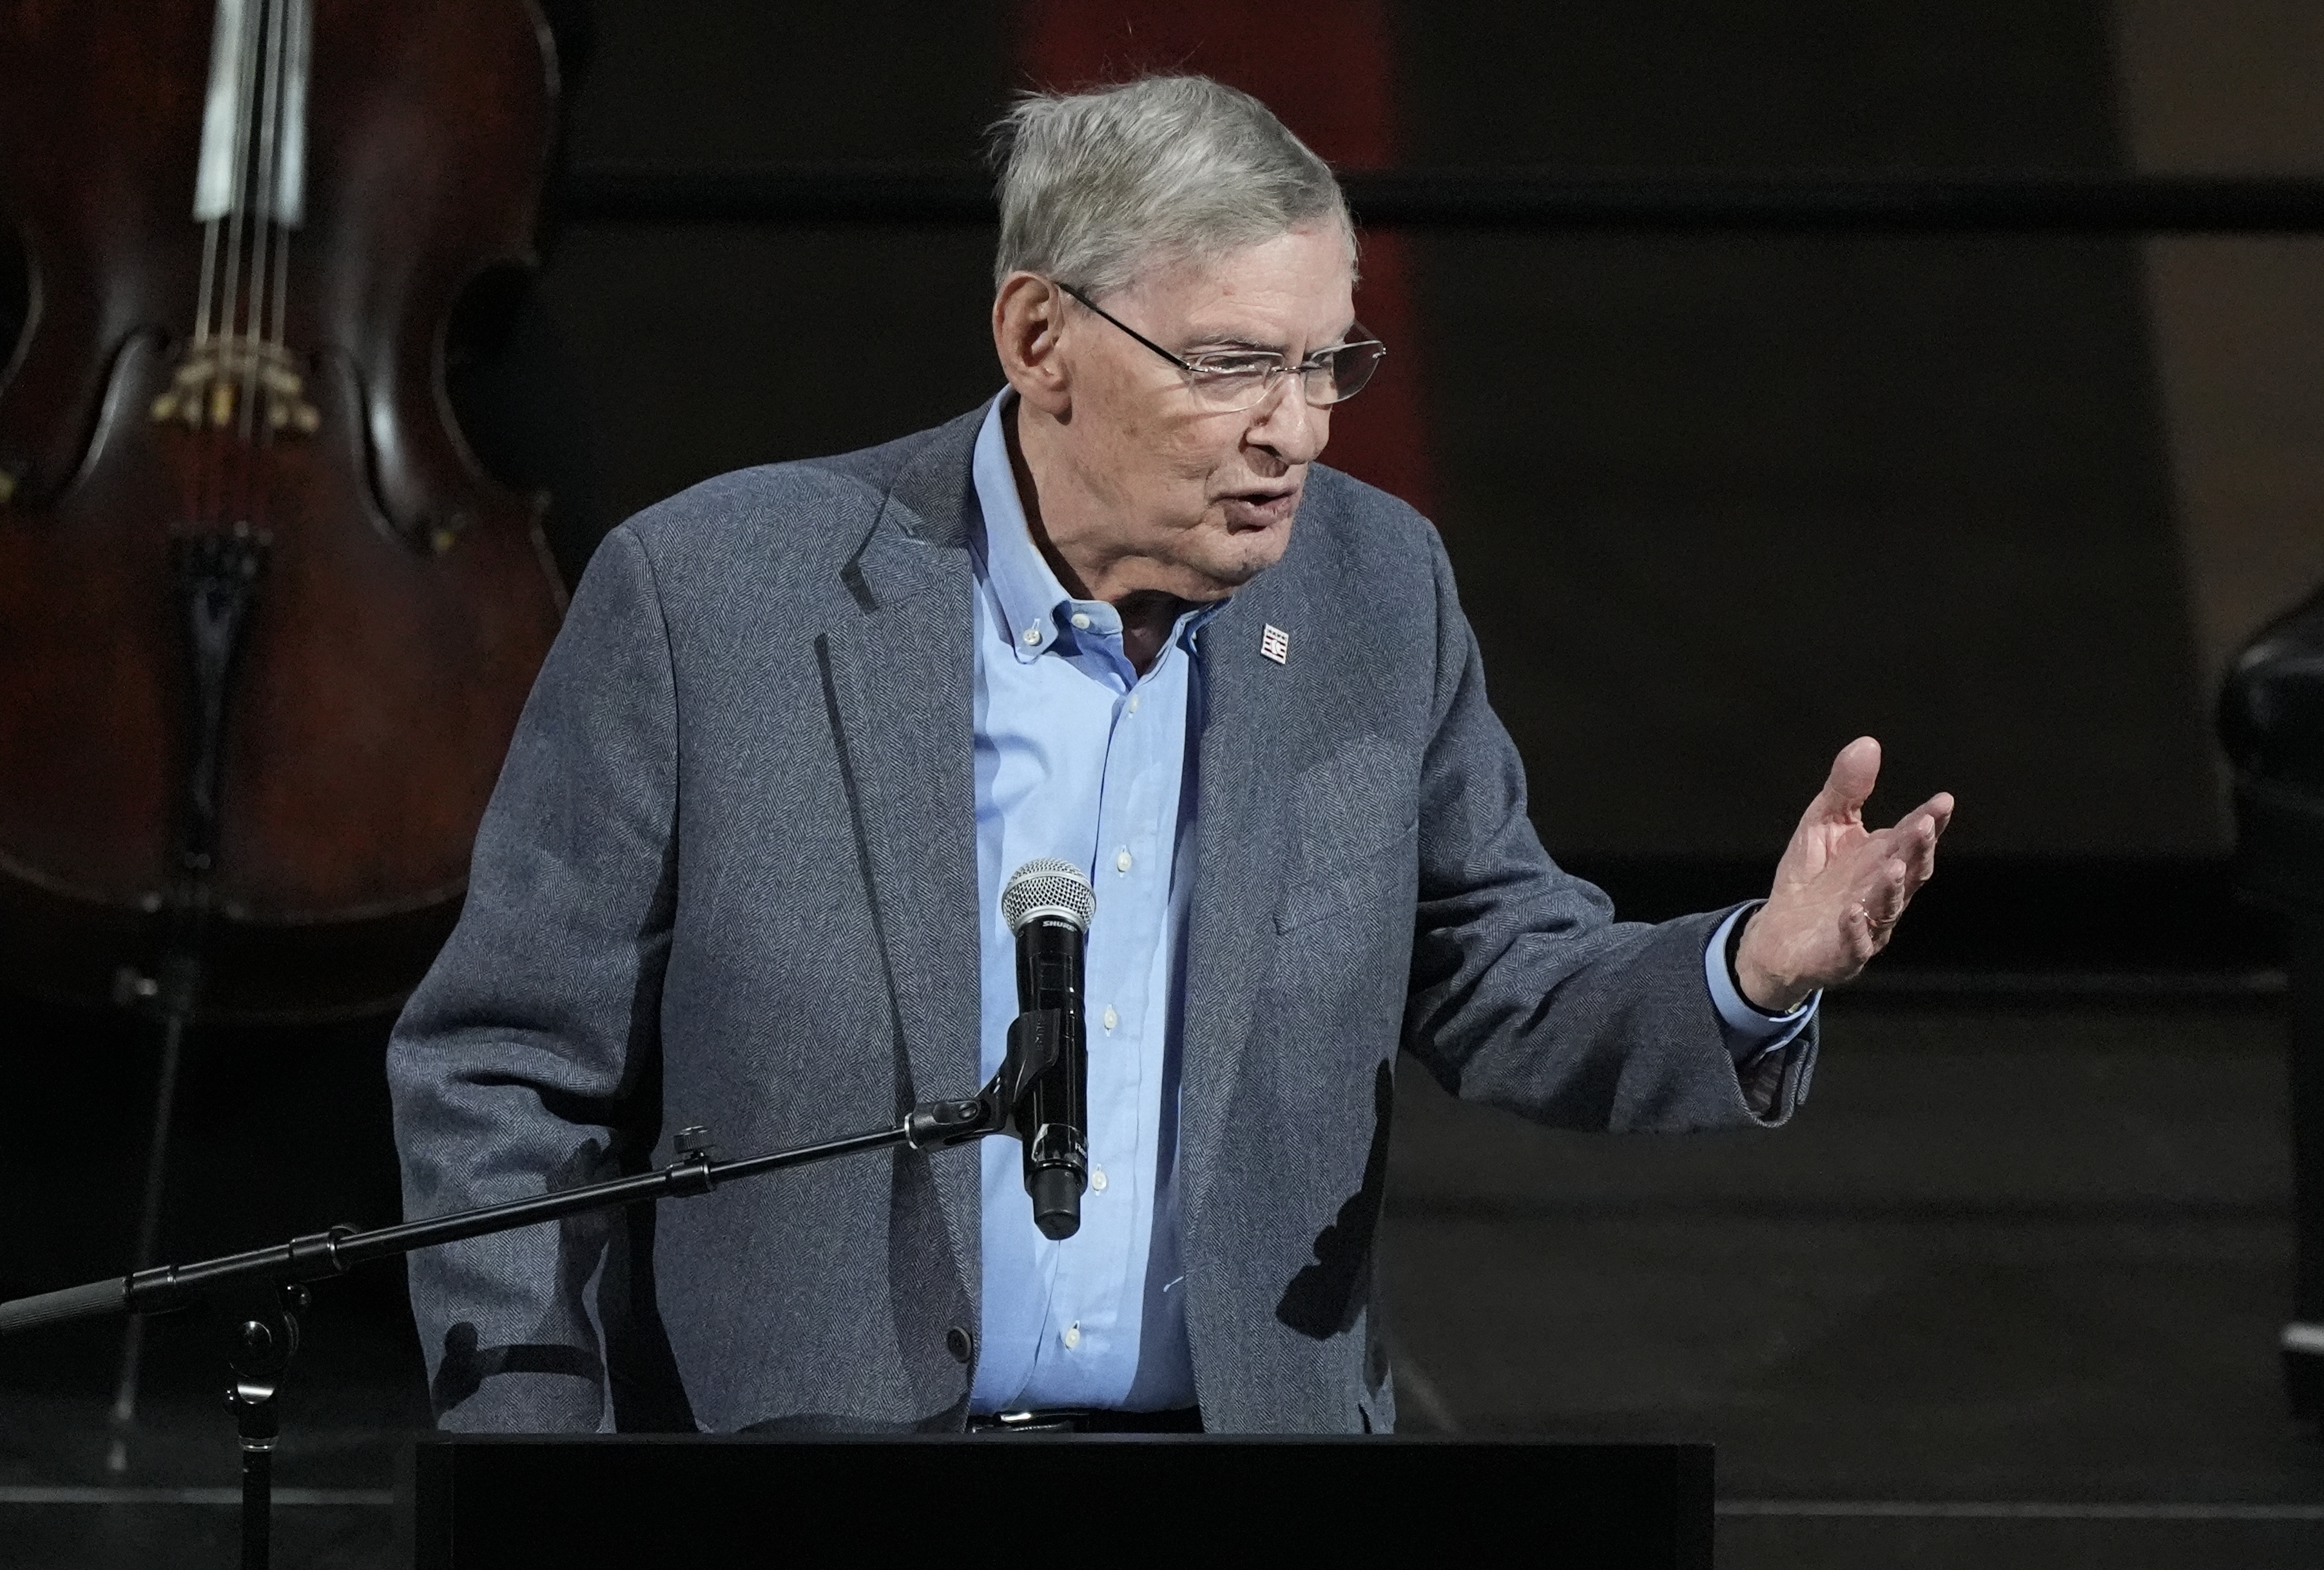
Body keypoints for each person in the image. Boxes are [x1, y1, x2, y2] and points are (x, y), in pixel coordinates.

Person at [388, 74, 1951, 1436]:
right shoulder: (715, 597)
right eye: (1230, 365)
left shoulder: (1372, 591)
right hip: (803, 1475)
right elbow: (503, 1068)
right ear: (1038, 336)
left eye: (1326, 363)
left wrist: (1749, 967)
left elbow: (1497, 968)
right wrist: (536, 1464)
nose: (1296, 431)